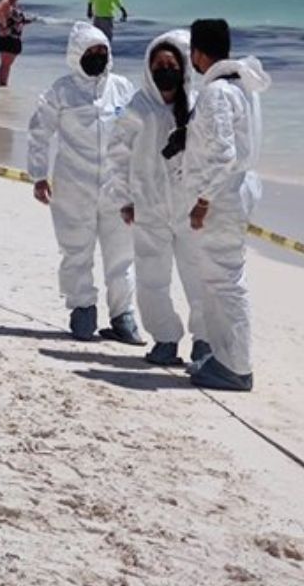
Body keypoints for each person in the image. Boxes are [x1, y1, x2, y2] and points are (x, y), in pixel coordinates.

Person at [27, 21, 142, 344]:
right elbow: (39, 131)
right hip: (72, 186)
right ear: (76, 54)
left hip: (118, 188)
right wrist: (38, 174)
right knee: (76, 251)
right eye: (90, 51)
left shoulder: (122, 89)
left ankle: (123, 317)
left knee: (121, 256)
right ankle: (82, 311)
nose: (97, 56)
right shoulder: (61, 91)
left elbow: (140, 135)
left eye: (102, 51)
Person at [107, 29, 208, 367]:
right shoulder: (137, 107)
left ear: (183, 67)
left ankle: (205, 341)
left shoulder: (196, 108)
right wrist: (124, 198)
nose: (165, 70)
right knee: (152, 279)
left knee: (198, 277)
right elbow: (117, 155)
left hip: (188, 209)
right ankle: (165, 339)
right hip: (148, 208)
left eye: (171, 64)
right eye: (158, 65)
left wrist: (208, 201)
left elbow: (212, 157)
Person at [183, 19, 271, 392]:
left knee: (223, 281)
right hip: (237, 190)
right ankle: (224, 357)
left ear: (199, 53)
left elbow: (222, 154)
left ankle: (235, 365)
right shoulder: (243, 87)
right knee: (220, 279)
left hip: (222, 195)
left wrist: (203, 199)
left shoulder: (218, 92)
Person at [0, 0, 34, 87]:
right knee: (5, 64)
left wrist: (25, 21)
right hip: (7, 36)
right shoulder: (6, 0)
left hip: (14, 36)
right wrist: (4, 24)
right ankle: (2, 85)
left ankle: (3, 84)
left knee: (7, 64)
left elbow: (14, 18)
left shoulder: (14, 2)